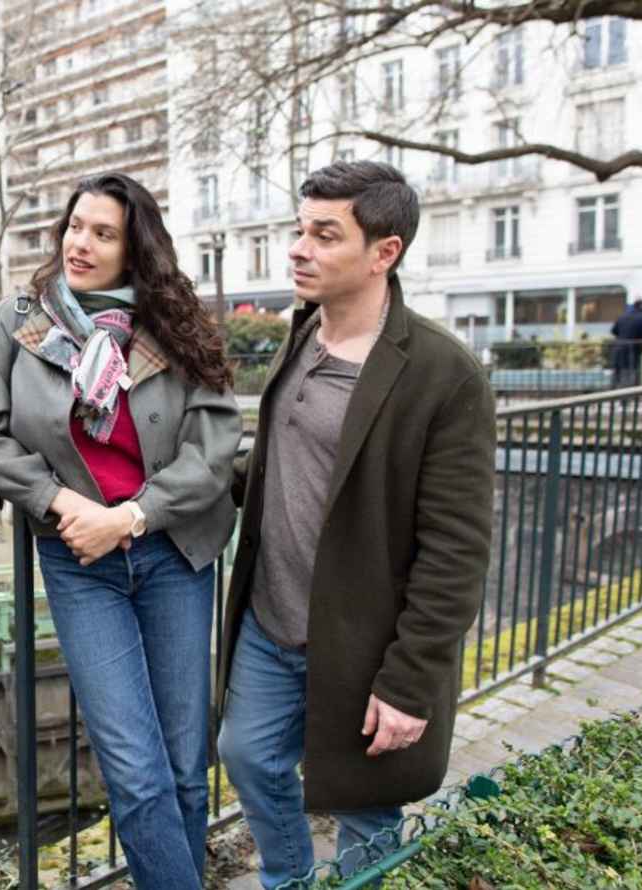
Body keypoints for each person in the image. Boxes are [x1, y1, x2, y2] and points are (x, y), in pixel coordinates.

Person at [217, 161, 496, 888]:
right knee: (246, 754)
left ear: (385, 252)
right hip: (271, 620)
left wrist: (409, 683)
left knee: (368, 813)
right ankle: (289, 879)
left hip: (367, 640)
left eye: (324, 235)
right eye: (299, 230)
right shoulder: (304, 332)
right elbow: (282, 457)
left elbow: (457, 550)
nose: (299, 249)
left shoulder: (443, 374)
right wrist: (181, 489)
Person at [0, 172, 242, 890]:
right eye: (74, 227)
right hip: (79, 560)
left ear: (134, 247)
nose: (79, 244)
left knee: (184, 764)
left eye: (103, 233)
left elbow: (214, 446)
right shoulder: (14, 324)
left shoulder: (177, 325)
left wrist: (130, 515)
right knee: (134, 768)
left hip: (174, 551)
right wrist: (60, 504)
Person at [609, 299, 642, 387]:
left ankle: (613, 393)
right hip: (633, 350)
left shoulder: (622, 316)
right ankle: (627, 395)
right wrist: (641, 348)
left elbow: (613, 331)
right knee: (630, 372)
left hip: (618, 347)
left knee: (617, 372)